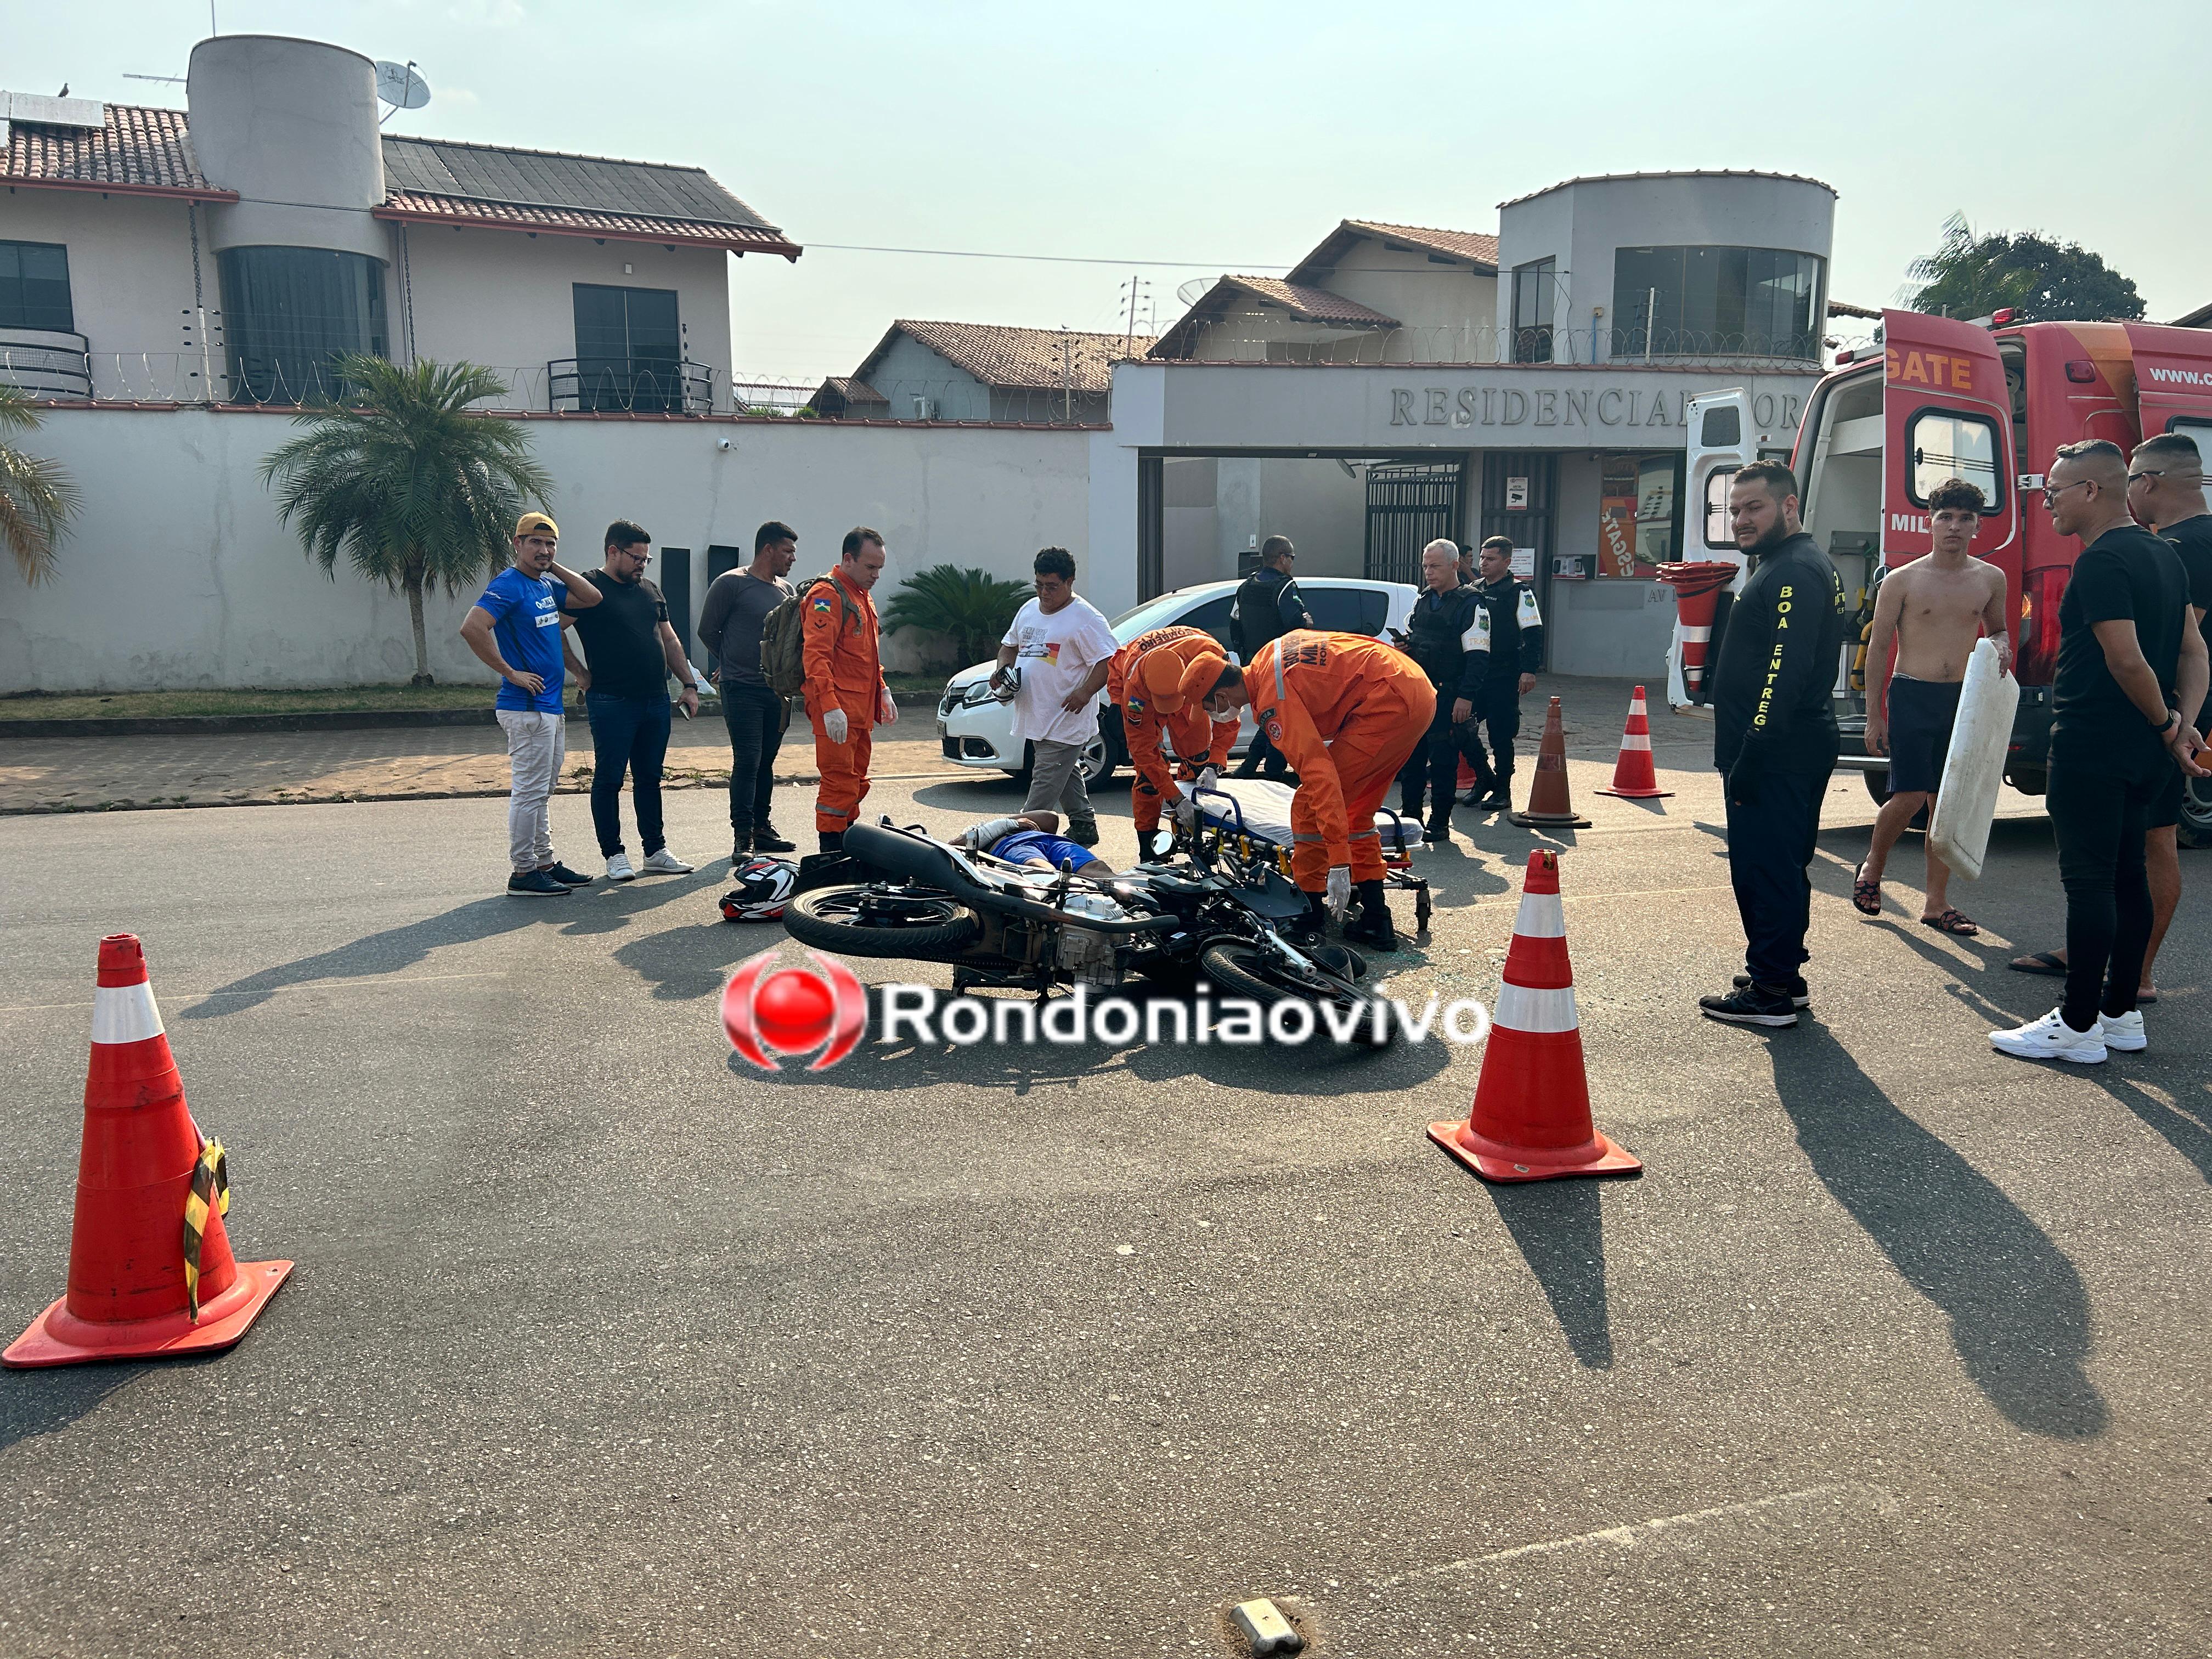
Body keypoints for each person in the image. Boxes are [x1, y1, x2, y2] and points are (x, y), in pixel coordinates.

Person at [1990, 440, 2207, 1063]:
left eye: (2055, 490)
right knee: (2127, 879)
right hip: (2143, 752)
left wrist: (2170, 723)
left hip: (2094, 746)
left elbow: (2125, 657)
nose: (2048, 500)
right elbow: (2195, 653)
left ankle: (2078, 1024)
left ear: (2092, 491)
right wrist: (2182, 724)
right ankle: (2120, 1014)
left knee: (2089, 886)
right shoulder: (2164, 555)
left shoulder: (2103, 561)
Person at [1697, 462, 1848, 1028]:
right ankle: (1782, 969)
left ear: (1788, 507)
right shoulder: (1792, 565)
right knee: (1781, 863)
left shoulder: (1793, 572)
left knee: (1765, 867)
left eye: (1753, 508)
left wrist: (1752, 751)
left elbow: (1784, 673)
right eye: (1734, 510)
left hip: (1776, 750)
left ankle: (1772, 991)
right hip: (1790, 745)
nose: (1740, 519)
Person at [1187, 631, 1435, 950]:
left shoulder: (1272, 702)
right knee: (1357, 812)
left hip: (1386, 702)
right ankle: (1376, 920)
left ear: (1221, 695)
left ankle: (1308, 920)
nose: (1211, 715)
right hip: (1414, 687)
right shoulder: (1269, 654)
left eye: (1208, 708)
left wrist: (1340, 861)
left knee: (1307, 808)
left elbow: (1319, 772)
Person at [1855, 478, 2011, 934]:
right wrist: (1874, 715)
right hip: (1911, 694)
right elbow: (1879, 649)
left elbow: (1999, 629)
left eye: (1965, 519)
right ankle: (1873, 868)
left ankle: (1936, 904)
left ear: (1977, 527)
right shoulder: (1903, 580)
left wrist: (2000, 645)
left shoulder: (1989, 578)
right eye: (1946, 517)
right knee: (1907, 796)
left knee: (1948, 803)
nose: (1954, 527)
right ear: (1930, 522)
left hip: (1962, 700)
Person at [458, 511, 605, 897]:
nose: (543, 549)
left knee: (541, 790)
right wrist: (510, 672)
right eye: (535, 543)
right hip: (525, 706)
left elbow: (593, 597)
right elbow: (472, 628)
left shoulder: (542, 585)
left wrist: (550, 564)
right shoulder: (509, 584)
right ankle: (523, 873)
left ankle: (545, 863)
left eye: (550, 543)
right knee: (529, 792)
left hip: (548, 707)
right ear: (517, 544)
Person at [558, 520, 702, 882]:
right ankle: (614, 854)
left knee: (650, 778)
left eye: (646, 558)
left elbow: (669, 640)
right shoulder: (587, 589)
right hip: (611, 700)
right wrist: (579, 672)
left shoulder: (650, 590)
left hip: (655, 699)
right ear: (613, 551)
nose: (642, 564)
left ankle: (655, 850)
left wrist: (688, 683)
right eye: (636, 557)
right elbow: (551, 629)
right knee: (608, 779)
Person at [991, 547, 1117, 848]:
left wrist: (1085, 692)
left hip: (1066, 718)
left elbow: (1109, 660)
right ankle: (1084, 825)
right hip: (1037, 714)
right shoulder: (1029, 609)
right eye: (1039, 585)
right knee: (1065, 772)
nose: (1044, 593)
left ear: (1070, 581)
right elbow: (1009, 646)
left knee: (1043, 787)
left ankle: (1021, 842)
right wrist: (1002, 670)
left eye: (1052, 586)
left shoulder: (1086, 618)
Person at [699, 520, 799, 867]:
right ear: (768, 550)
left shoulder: (786, 590)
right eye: (787, 551)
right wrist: (728, 661)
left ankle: (762, 828)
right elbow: (708, 630)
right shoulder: (731, 583)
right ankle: (743, 836)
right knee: (748, 760)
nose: (792, 559)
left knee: (767, 762)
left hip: (776, 691)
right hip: (740, 687)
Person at [1395, 537, 1494, 842]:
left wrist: (1466, 697)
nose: (1428, 572)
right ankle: (1411, 817)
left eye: (1435, 566)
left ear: (1454, 566)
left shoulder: (1471, 604)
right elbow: (1416, 637)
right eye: (1425, 566)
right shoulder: (1423, 600)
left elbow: (1478, 656)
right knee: (1412, 760)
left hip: (1450, 694)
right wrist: (1405, 647)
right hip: (1419, 692)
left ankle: (1439, 822)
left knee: (1443, 761)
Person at [804, 527, 897, 853]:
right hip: (837, 712)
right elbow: (816, 656)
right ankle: (831, 855)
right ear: (848, 559)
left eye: (880, 568)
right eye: (871, 567)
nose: (876, 575)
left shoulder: (860, 595)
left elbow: (865, 656)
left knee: (856, 782)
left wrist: (882, 689)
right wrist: (829, 706)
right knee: (837, 785)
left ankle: (847, 848)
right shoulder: (826, 597)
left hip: (858, 713)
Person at [1108, 623, 1238, 846]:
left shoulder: (1211, 661)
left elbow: (1227, 711)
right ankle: (1148, 844)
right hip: (1146, 699)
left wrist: (1216, 763)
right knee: (1149, 777)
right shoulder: (1135, 690)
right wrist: (1175, 798)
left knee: (1199, 761)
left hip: (1188, 694)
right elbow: (1143, 750)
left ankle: (1190, 835)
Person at [1465, 535, 1544, 812]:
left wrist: (1528, 670)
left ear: (1507, 561)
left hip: (1504, 674)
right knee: (1460, 728)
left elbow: (1533, 634)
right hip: (1475, 674)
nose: (1483, 563)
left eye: (1491, 559)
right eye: (1482, 558)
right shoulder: (1473, 589)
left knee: (1500, 734)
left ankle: (1503, 791)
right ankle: (1483, 777)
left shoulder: (1519, 592)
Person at [1228, 535, 1312, 782]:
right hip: (1281, 663)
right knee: (1280, 713)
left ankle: (1257, 763)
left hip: (1254, 662)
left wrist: (1246, 657)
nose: (1292, 564)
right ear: (1282, 558)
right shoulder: (1284, 586)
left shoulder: (1247, 586)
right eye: (1292, 558)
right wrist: (1307, 622)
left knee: (1271, 712)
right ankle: (1271, 768)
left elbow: (1234, 625)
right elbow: (1295, 624)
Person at [957, 810, 1114, 877]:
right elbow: (955, 844)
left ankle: (1134, 904)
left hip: (1049, 840)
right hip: (1010, 845)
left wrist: (1012, 823)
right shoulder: (973, 835)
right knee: (1043, 872)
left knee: (1099, 869)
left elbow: (1050, 818)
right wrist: (1004, 826)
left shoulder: (1012, 824)